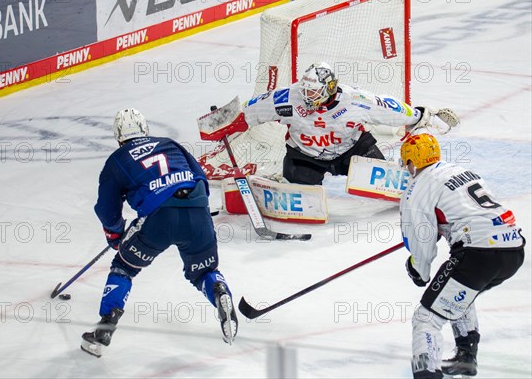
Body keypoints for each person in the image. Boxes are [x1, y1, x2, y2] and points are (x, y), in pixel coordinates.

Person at [81, 108, 238, 358]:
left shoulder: (117, 159)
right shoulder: (169, 144)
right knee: (205, 271)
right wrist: (195, 211)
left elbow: (106, 208)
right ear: (145, 130)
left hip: (159, 220)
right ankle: (219, 291)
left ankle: (105, 326)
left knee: (124, 267)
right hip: (198, 212)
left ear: (119, 136)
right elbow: (201, 179)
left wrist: (116, 235)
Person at [398, 133, 525, 378]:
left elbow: (421, 239)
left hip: (479, 254)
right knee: (459, 295)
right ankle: (466, 358)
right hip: (513, 250)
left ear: (412, 162)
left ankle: (427, 374)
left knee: (426, 319)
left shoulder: (417, 187)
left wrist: (418, 269)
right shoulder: (460, 171)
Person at [240, 62, 459, 185]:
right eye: (305, 90)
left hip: (352, 150)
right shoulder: (288, 98)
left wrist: (421, 116)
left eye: (314, 91)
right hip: (305, 156)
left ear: (329, 87)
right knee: (297, 191)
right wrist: (226, 122)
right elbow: (251, 109)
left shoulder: (356, 100)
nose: (308, 96)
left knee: (388, 185)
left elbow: (390, 108)